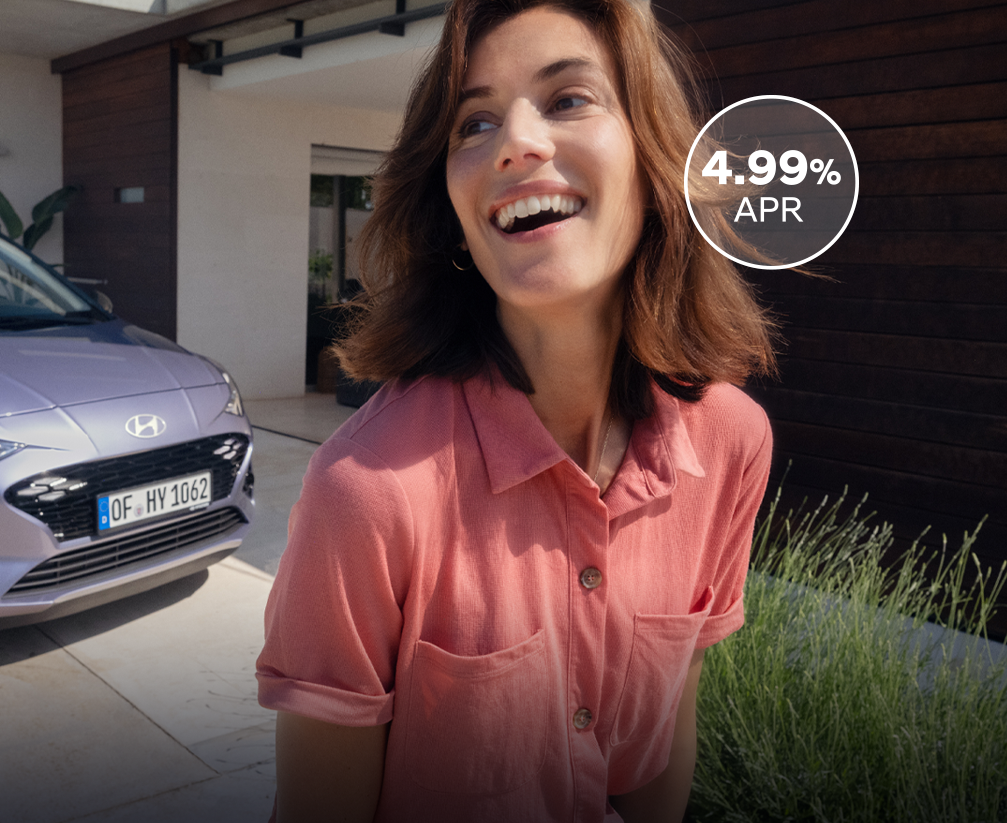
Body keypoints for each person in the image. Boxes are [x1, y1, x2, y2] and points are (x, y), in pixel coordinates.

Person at [255, 1, 778, 821]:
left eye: (570, 99)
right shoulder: (362, 492)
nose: (515, 143)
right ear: (458, 218)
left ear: (655, 164)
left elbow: (666, 737)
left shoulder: (733, 439)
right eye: (475, 122)